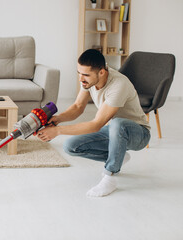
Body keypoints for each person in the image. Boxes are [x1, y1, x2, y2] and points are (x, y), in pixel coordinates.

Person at [35, 49, 151, 197]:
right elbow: (77, 107)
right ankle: (119, 157)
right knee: (70, 146)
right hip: (112, 131)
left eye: (86, 75)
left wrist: (58, 131)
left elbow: (96, 124)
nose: (81, 79)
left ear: (102, 72)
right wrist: (58, 119)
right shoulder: (88, 82)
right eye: (79, 73)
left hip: (138, 133)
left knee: (118, 124)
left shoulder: (118, 84)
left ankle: (110, 177)